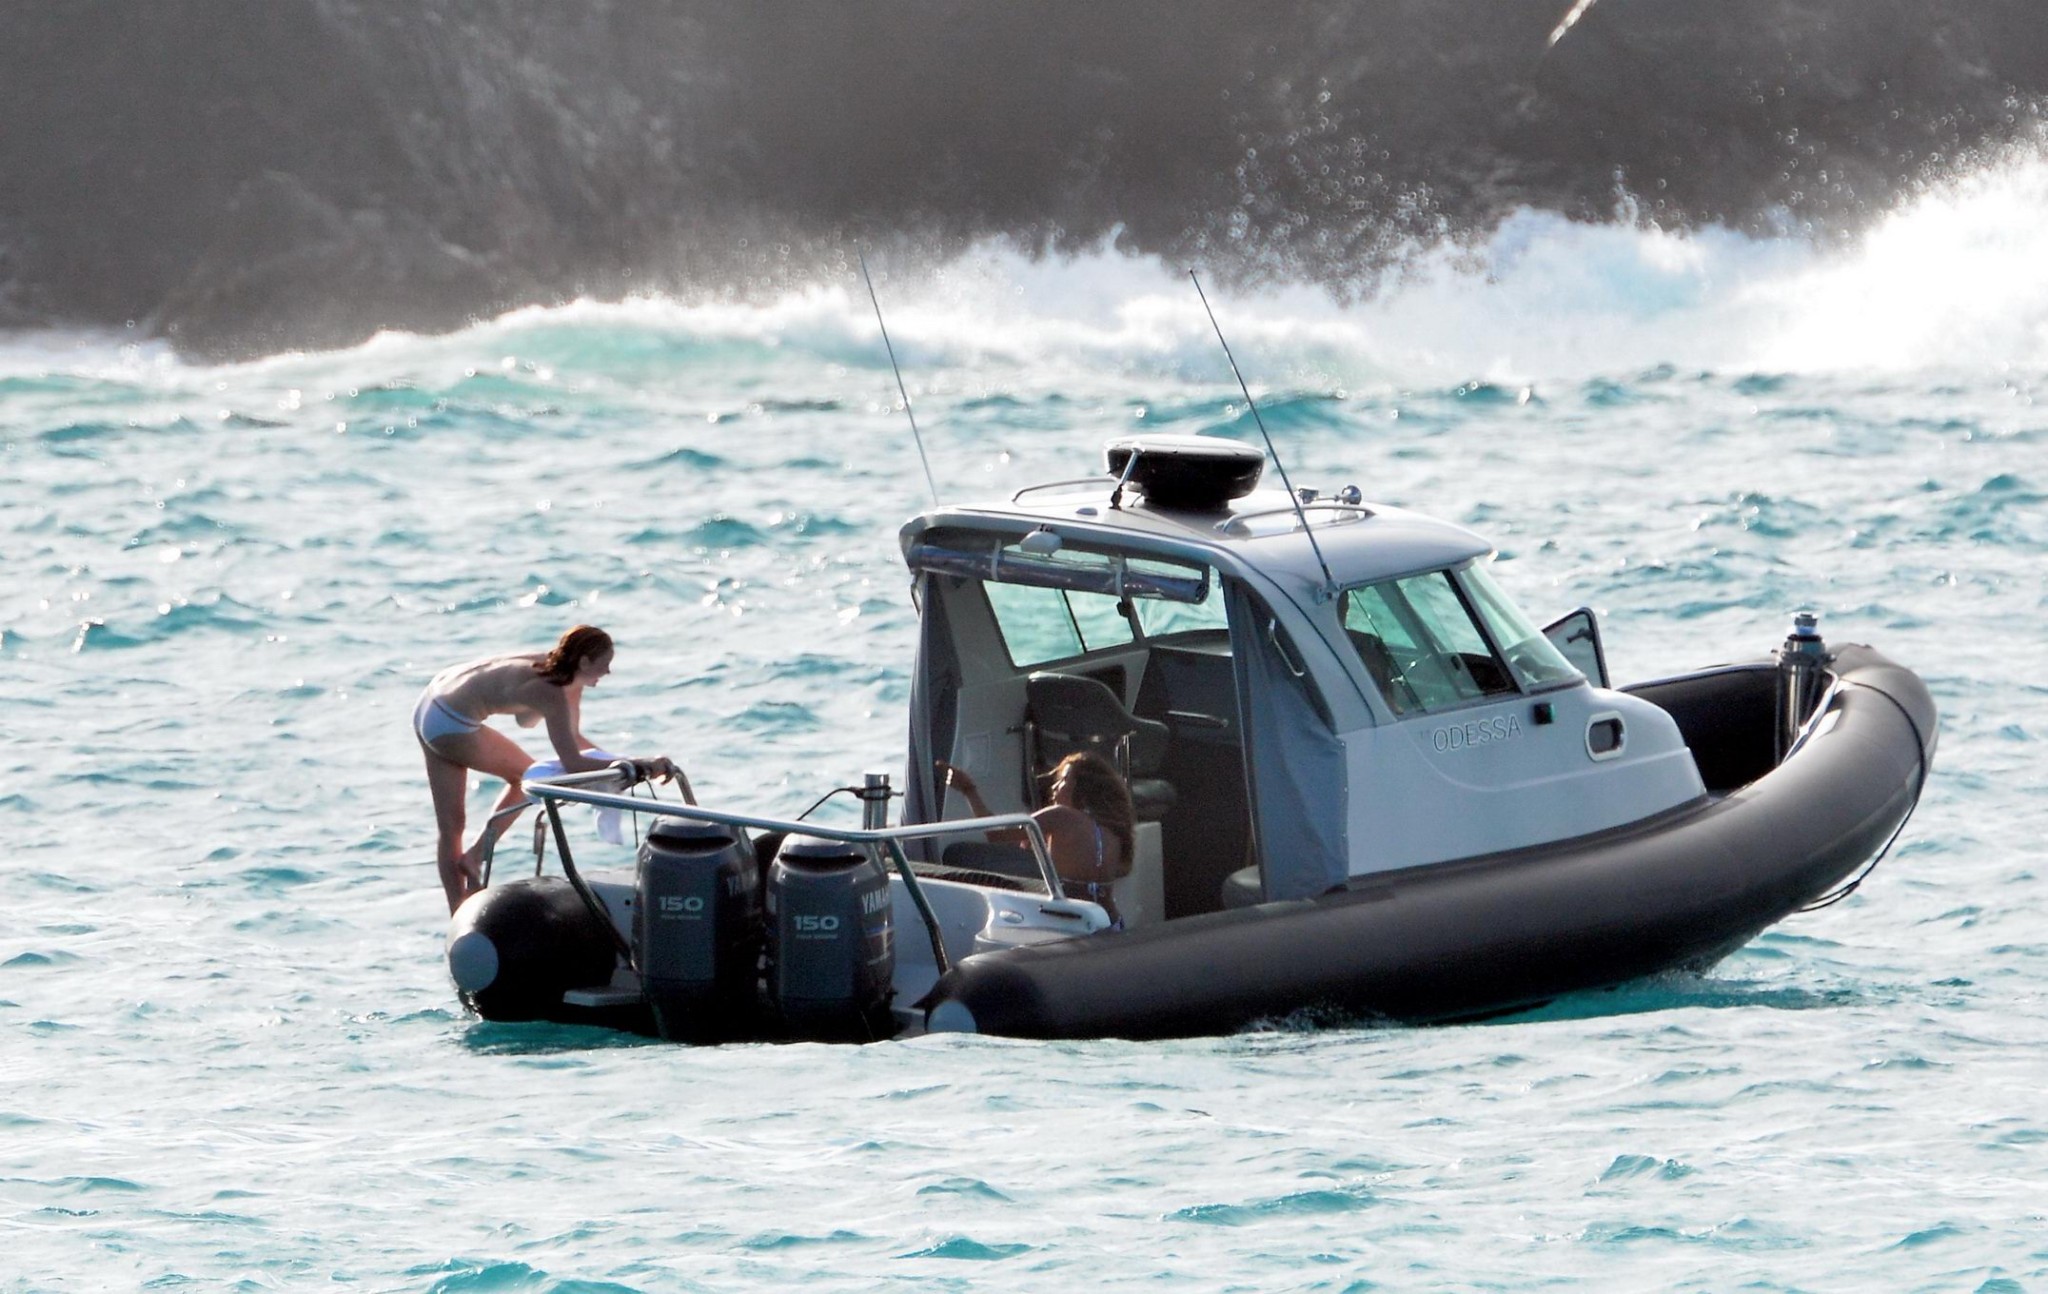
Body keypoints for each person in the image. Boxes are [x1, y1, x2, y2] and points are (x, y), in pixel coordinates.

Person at [413, 625, 678, 912]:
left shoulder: (557, 666)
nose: (608, 673)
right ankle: (475, 857)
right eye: (604, 665)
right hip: (450, 721)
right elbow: (573, 762)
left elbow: (575, 740)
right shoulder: (551, 692)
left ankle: (457, 913)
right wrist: (641, 764)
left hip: (431, 702)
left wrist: (627, 762)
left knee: (451, 827)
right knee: (526, 779)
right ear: (584, 662)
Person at [935, 752, 1135, 926]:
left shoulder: (1060, 816)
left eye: (1063, 780)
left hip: (1070, 923)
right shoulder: (1113, 830)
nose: (1055, 787)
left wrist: (969, 790)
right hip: (1111, 924)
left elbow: (996, 834)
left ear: (1082, 787)